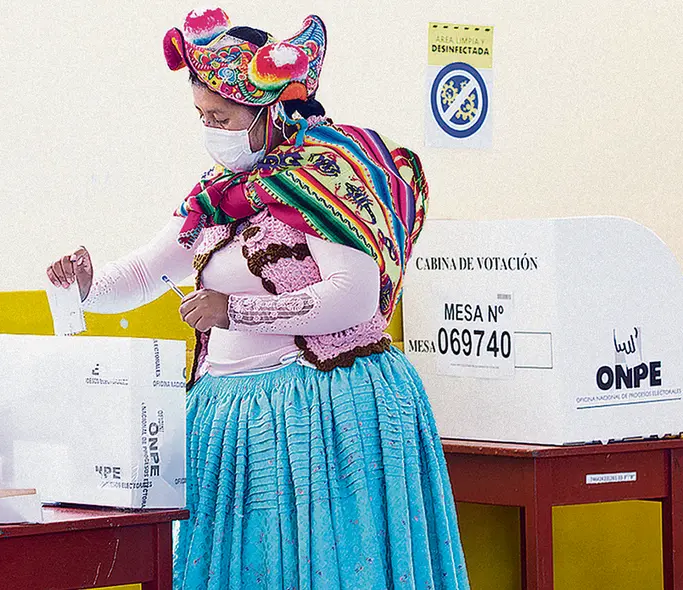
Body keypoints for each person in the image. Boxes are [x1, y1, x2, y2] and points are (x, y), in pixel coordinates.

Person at [48, 8, 468, 589]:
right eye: (201, 114)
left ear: (267, 109)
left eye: (219, 115)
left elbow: (355, 298)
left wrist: (234, 310)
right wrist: (89, 284)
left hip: (319, 412)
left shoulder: (326, 176)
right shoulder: (218, 194)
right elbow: (149, 271)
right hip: (232, 419)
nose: (208, 128)